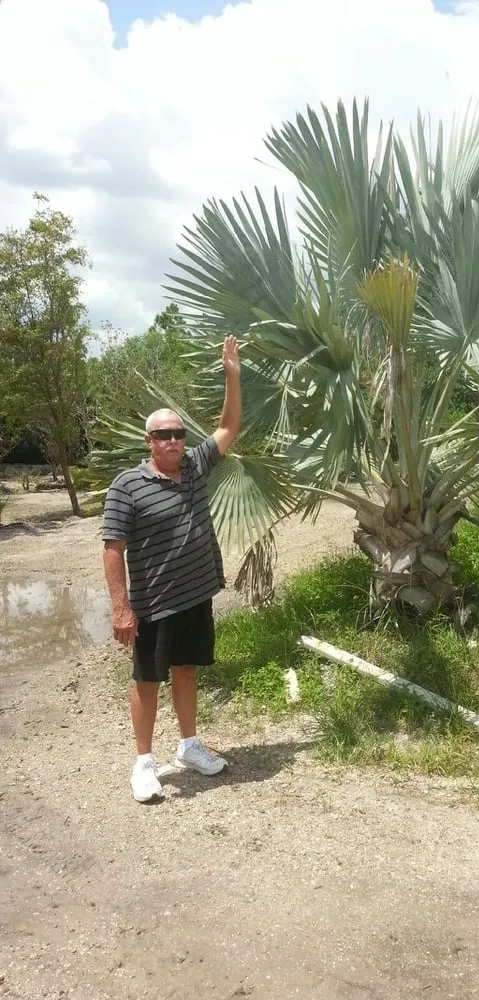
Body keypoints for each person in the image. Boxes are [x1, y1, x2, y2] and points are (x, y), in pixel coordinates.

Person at [101, 335, 242, 803]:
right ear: (150, 441)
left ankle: (188, 747)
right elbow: (112, 548)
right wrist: (121, 608)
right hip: (153, 602)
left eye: (179, 433)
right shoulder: (128, 486)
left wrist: (232, 378)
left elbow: (227, 427)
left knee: (185, 670)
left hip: (195, 594)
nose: (175, 440)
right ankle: (143, 764)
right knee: (147, 680)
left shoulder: (197, 467)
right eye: (165, 434)